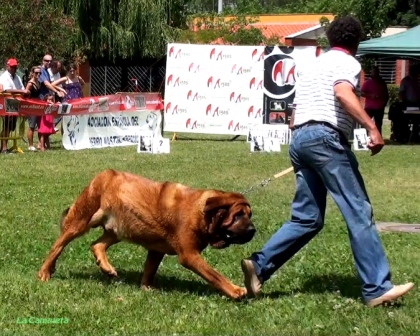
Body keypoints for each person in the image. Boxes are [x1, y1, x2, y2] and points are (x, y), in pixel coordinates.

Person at [240, 16, 414, 308]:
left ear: (331, 40)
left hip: (299, 138)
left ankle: (259, 266)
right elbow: (343, 92)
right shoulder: (348, 63)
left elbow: (296, 112)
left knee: (307, 218)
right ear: (355, 42)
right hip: (325, 138)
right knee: (359, 211)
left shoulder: (313, 65)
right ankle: (377, 287)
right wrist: (372, 128)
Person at [0, 58, 30, 154]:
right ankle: (3, 148)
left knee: (11, 126)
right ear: (7, 66)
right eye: (12, 67)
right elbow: (7, 90)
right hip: (6, 104)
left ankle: (6, 147)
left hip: (15, 104)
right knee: (6, 126)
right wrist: (22, 91)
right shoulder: (3, 77)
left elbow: (21, 87)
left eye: (15, 67)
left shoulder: (17, 77)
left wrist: (24, 91)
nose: (14, 68)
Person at [361, 66, 389, 135]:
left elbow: (386, 94)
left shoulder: (382, 83)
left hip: (379, 107)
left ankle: (378, 138)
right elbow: (361, 93)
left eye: (376, 71)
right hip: (369, 107)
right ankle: (364, 138)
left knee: (379, 124)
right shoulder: (367, 83)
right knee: (365, 123)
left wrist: (384, 103)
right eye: (373, 71)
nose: (374, 73)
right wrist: (370, 96)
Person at [25, 66, 42, 151]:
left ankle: (40, 144)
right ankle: (31, 145)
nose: (38, 74)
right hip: (31, 107)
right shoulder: (30, 83)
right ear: (32, 73)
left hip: (38, 107)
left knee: (39, 126)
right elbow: (25, 95)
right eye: (36, 73)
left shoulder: (38, 82)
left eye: (40, 73)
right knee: (31, 126)